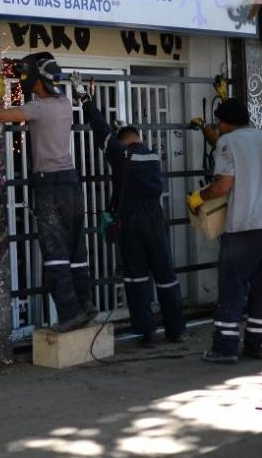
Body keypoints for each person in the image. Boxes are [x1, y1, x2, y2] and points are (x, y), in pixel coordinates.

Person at [0, 52, 96, 333]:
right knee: (76, 249)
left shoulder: (39, 108)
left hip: (49, 184)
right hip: (71, 182)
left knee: (55, 251)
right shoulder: (63, 104)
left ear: (38, 80)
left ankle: (69, 313)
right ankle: (86, 305)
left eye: (29, 77)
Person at [74, 74, 186, 344]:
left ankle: (145, 331)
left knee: (136, 278)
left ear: (122, 142)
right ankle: (176, 330)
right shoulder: (152, 156)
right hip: (156, 220)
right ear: (139, 137)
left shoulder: (121, 155)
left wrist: (86, 101)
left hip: (131, 222)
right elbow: (115, 136)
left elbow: (101, 131)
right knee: (166, 276)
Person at [187, 99, 262, 364]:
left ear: (224, 123)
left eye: (218, 123)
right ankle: (256, 345)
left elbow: (223, 185)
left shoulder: (228, 143)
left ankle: (225, 347)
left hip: (244, 227)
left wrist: (199, 198)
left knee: (232, 285)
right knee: (261, 285)